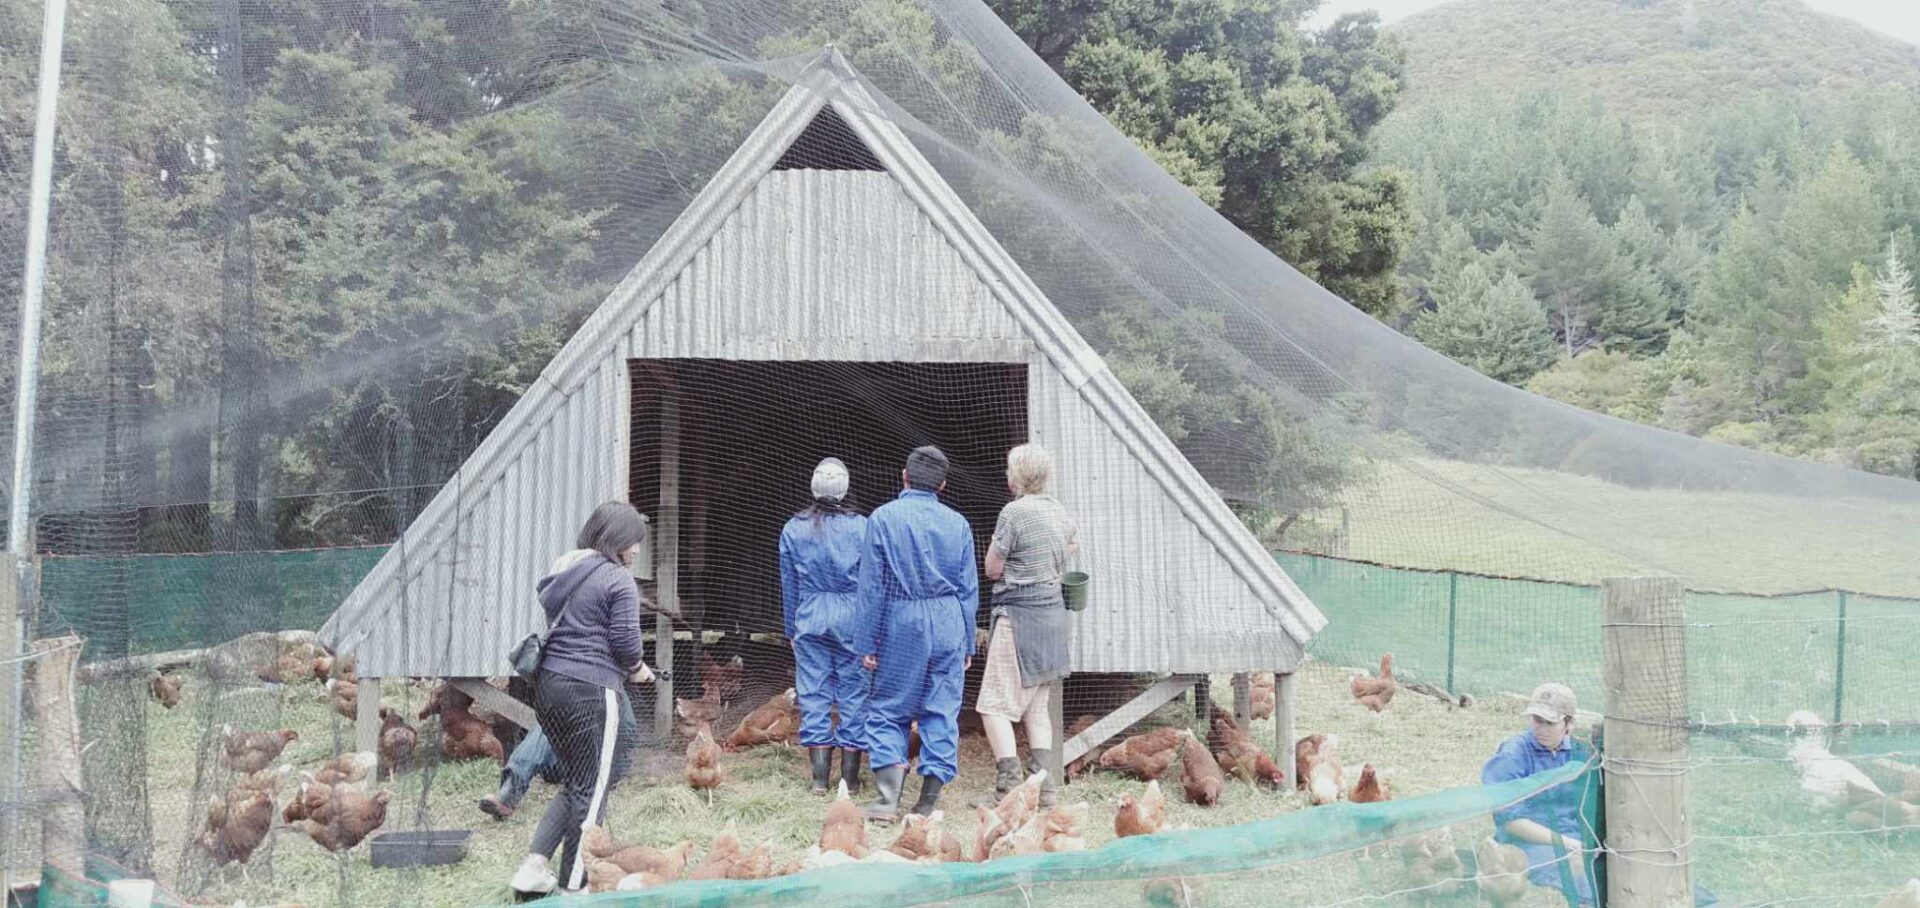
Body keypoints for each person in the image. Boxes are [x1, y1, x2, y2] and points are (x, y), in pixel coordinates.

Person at [509, 501, 656, 897]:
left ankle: (534, 867)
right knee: (594, 788)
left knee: (578, 780)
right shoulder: (617, 578)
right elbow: (626, 644)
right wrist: (640, 670)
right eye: (634, 542)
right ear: (616, 540)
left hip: (550, 686)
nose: (637, 551)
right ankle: (575, 889)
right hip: (591, 689)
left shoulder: (566, 570)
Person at [855, 446, 979, 821]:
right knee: (941, 709)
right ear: (942, 485)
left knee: (889, 708)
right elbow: (968, 588)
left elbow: (872, 587)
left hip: (901, 620)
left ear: (904, 477)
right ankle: (926, 804)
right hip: (947, 620)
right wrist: (967, 639)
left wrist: (866, 641)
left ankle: (887, 800)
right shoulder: (958, 523)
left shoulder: (882, 518)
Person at [976, 444, 1078, 807]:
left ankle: (1010, 787)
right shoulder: (1058, 510)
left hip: (1019, 615)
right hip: (1052, 615)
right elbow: (1072, 544)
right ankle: (1044, 788)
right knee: (1037, 708)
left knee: (993, 706)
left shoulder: (1013, 512)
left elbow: (992, 568)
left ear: (1016, 476)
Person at [781, 457, 871, 796]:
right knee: (854, 693)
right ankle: (849, 779)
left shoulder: (793, 528)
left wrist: (791, 627)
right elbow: (872, 581)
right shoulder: (863, 526)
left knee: (813, 693)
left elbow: (788, 583)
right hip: (852, 616)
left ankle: (819, 780)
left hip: (810, 614)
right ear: (846, 488)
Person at [1481, 682, 1596, 904]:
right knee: (1582, 876)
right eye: (1537, 720)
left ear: (1569, 723)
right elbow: (1510, 821)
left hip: (1575, 836)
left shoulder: (1581, 754)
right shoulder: (1514, 753)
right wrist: (1568, 844)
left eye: (1550, 722)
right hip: (1526, 842)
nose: (1541, 729)